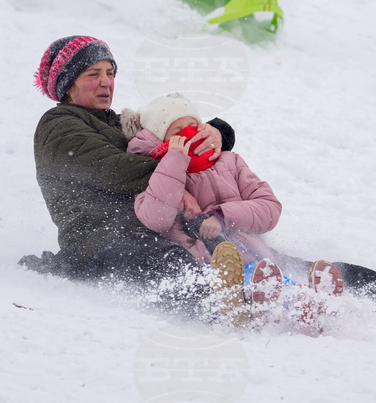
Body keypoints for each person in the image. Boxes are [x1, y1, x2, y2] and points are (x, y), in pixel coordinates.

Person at [121, 92, 376, 321]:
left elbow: (269, 209)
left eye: (193, 125)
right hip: (206, 262)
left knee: (326, 271)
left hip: (259, 253)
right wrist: (175, 158)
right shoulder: (156, 170)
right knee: (269, 280)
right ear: (163, 139)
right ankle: (285, 308)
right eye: (178, 132)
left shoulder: (229, 161)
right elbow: (155, 216)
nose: (190, 135)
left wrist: (224, 214)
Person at [24, 35, 239, 316]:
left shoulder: (114, 123)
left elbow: (166, 139)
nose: (106, 82)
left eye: (110, 73)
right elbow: (113, 167)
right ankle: (216, 306)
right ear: (69, 83)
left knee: (227, 239)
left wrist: (216, 132)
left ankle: (286, 283)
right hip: (100, 242)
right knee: (168, 260)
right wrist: (169, 180)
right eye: (93, 74)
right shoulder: (58, 126)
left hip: (152, 225)